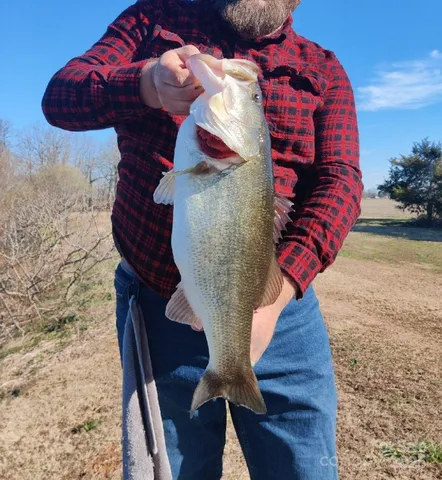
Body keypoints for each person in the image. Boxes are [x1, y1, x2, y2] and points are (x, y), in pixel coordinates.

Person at [42, 0, 362, 478]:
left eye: (247, 96)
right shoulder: (152, 18)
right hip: (157, 307)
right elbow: (59, 98)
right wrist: (146, 83)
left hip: (285, 315)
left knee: (303, 469)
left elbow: (342, 181)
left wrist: (275, 299)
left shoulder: (325, 69)